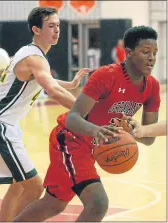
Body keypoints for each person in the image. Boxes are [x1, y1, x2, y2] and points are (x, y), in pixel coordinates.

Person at [13, 26, 160, 222]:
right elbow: (74, 117)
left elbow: (149, 138)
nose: (151, 57)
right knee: (98, 203)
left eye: (154, 53)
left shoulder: (152, 86)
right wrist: (96, 130)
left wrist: (134, 131)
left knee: (53, 204)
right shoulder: (107, 75)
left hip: (92, 146)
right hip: (70, 138)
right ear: (129, 52)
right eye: (145, 52)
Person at [0, 7, 92, 222]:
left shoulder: (30, 53)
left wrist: (70, 84)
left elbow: (40, 80)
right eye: (51, 26)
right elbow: (52, 90)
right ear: (36, 29)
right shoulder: (35, 57)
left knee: (17, 187)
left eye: (58, 25)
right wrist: (88, 113)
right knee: (33, 188)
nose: (57, 30)